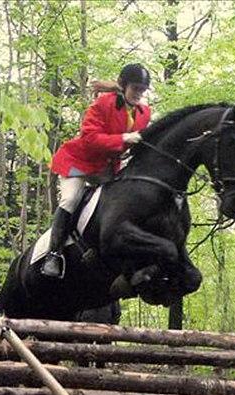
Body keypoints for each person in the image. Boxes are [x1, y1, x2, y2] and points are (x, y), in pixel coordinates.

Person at [42, 63, 152, 278]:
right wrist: (123, 138)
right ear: (123, 86)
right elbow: (90, 138)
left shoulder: (144, 113)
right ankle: (53, 254)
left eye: (142, 90)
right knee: (71, 200)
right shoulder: (103, 103)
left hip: (106, 169)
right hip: (79, 163)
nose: (139, 93)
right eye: (135, 88)